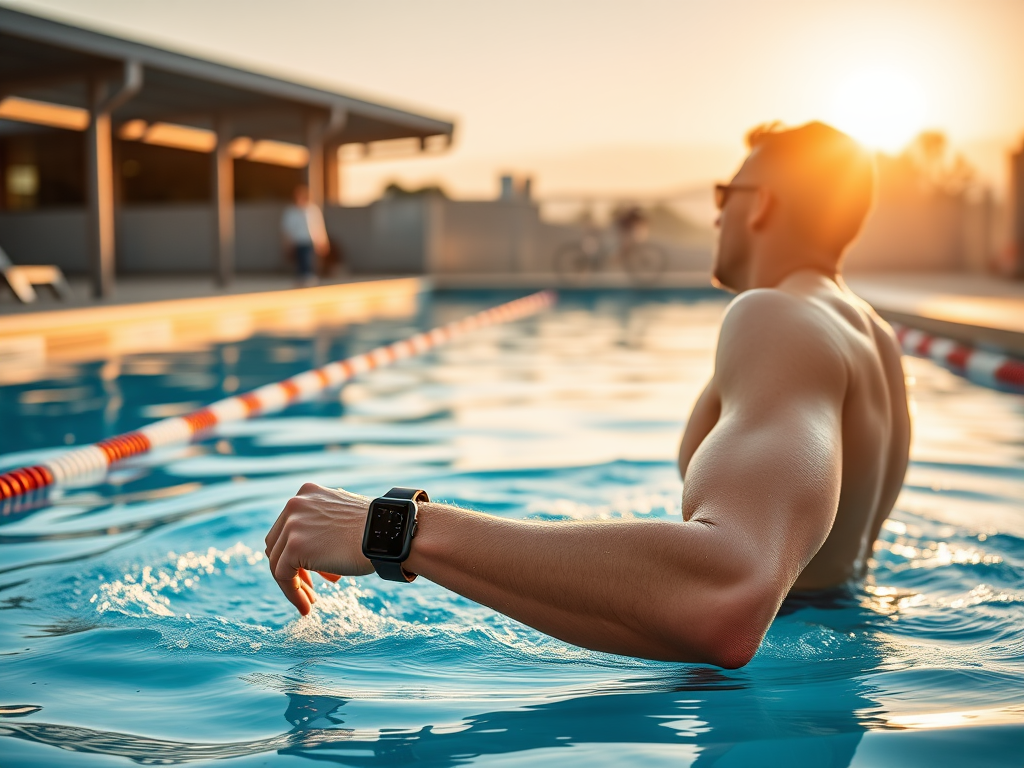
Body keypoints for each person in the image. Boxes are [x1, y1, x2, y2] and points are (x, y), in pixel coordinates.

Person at [264, 121, 910, 669]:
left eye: (725, 192)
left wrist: (397, 529)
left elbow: (729, 592)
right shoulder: (872, 337)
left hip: (770, 702)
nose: (716, 212)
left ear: (761, 202)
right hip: (836, 683)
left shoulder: (776, 317)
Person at [281, 184, 329, 286]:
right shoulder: (291, 212)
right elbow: (287, 229)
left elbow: (319, 226)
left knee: (309, 260)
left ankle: (308, 276)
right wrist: (286, 243)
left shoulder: (312, 210)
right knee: (301, 260)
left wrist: (323, 241)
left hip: (310, 241)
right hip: (297, 241)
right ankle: (303, 277)